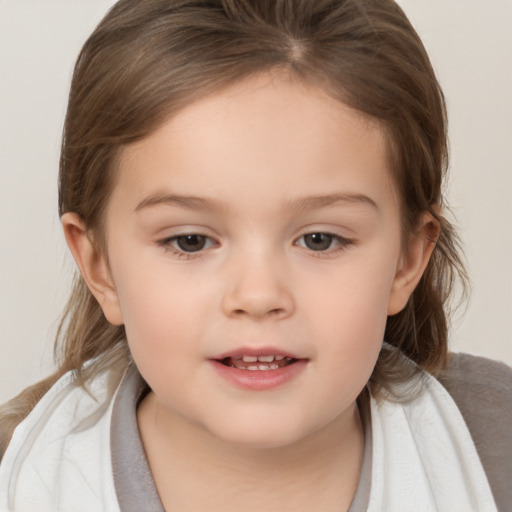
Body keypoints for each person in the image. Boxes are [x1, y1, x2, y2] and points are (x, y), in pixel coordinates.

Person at [0, 0, 510, 510]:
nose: (259, 295)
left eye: (320, 239)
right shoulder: (19, 477)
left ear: (407, 260)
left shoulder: (496, 447)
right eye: (190, 241)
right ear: (100, 267)